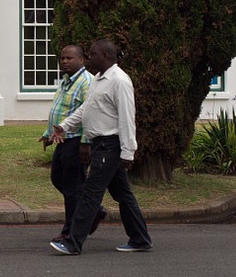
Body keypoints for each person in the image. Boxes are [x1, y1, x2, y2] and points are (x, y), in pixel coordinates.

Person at [49, 39, 152, 256]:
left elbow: (127, 118)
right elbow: (87, 108)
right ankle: (140, 239)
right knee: (123, 195)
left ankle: (73, 243)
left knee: (90, 194)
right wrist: (65, 126)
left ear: (105, 56)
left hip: (110, 146)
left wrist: (128, 151)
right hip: (101, 145)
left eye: (93, 54)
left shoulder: (119, 81)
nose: (90, 57)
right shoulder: (98, 78)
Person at [40, 44, 106, 239]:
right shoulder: (67, 81)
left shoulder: (87, 82)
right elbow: (60, 110)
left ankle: (70, 231)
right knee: (59, 179)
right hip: (62, 139)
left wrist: (86, 143)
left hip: (76, 141)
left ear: (81, 60)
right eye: (62, 58)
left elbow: (90, 114)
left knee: (72, 187)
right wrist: (48, 134)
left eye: (70, 58)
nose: (65, 61)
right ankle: (93, 210)